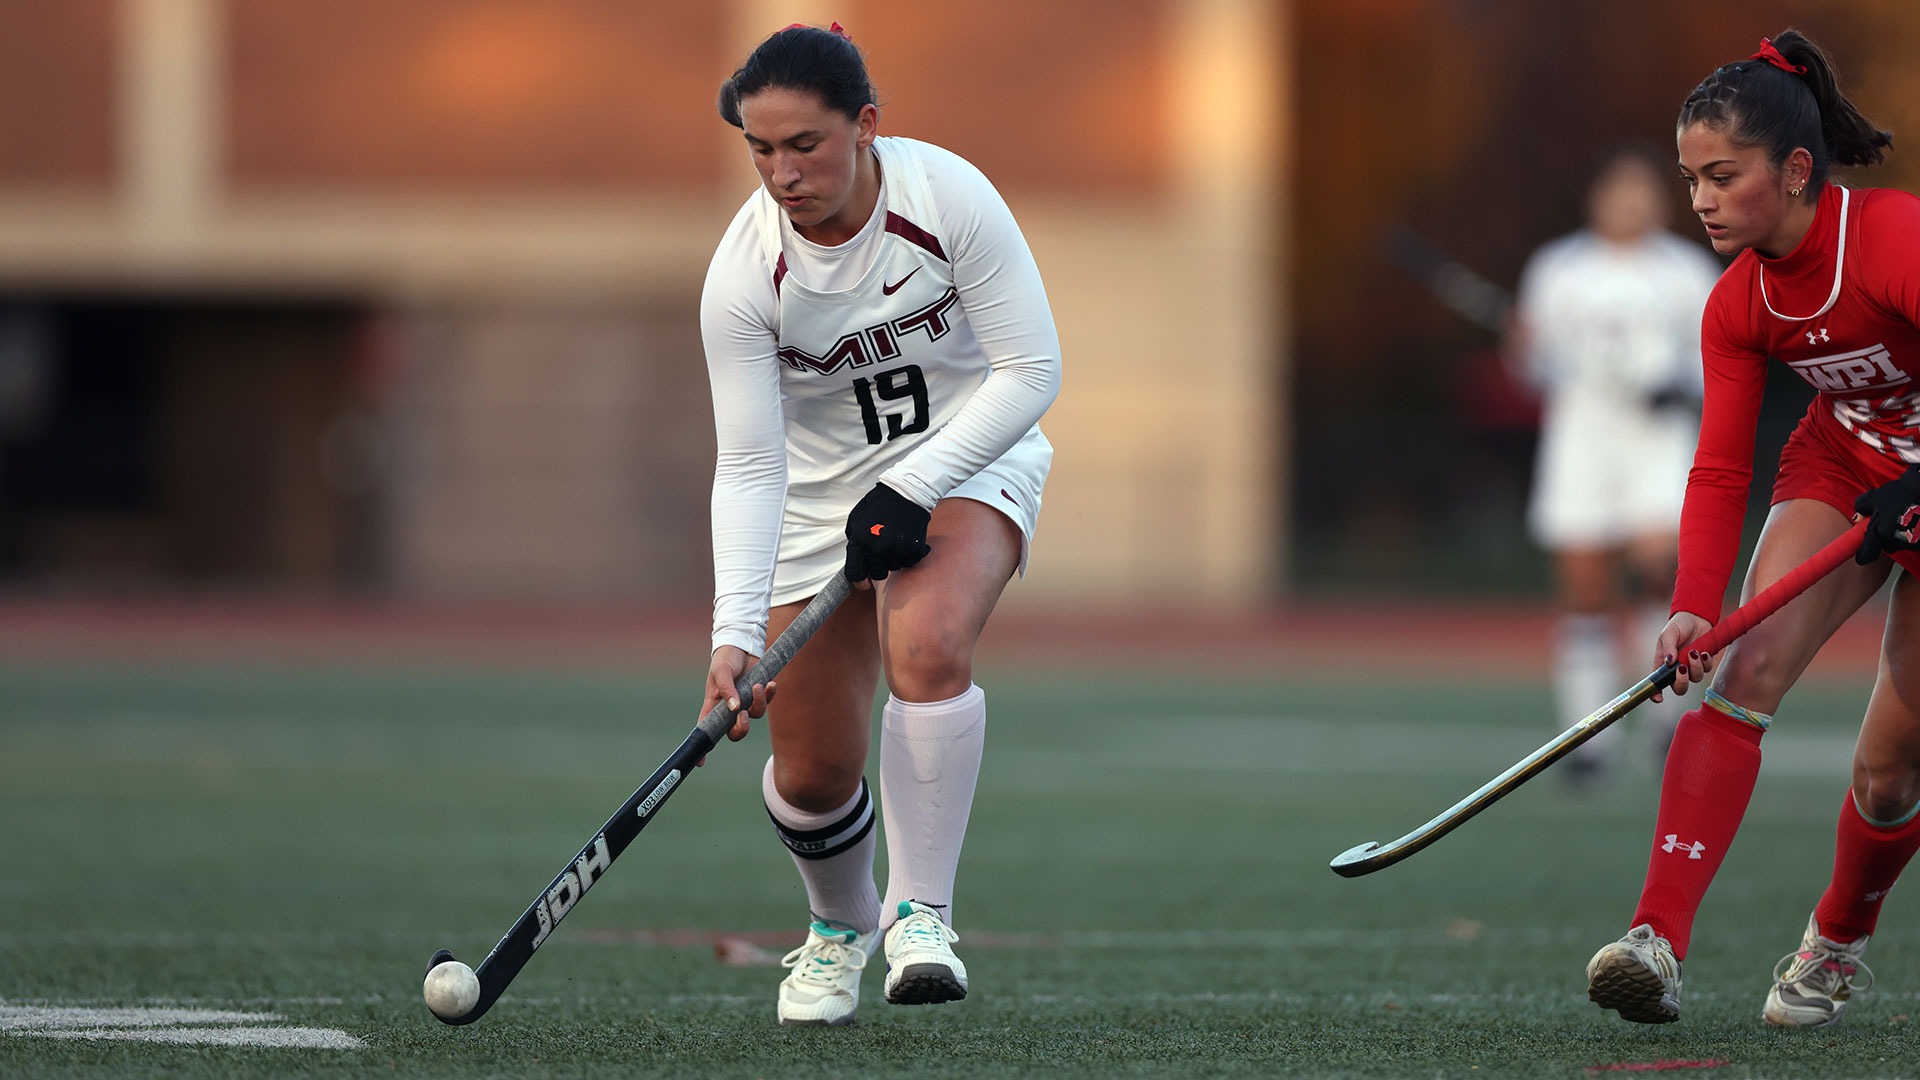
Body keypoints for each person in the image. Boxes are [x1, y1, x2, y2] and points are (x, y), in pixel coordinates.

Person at [696, 23, 1058, 1026]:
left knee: (927, 640)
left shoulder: (947, 200)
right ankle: (837, 930)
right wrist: (733, 634)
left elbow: (1032, 371)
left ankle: (921, 917)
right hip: (819, 499)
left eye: (804, 144)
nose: (782, 172)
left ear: (864, 127)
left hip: (967, 456)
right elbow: (752, 463)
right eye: (760, 149)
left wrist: (917, 486)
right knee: (811, 775)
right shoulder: (742, 279)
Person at [1583, 30, 1920, 1029]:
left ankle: (1835, 941)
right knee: (1747, 669)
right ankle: (1654, 940)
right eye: (1692, 178)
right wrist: (1694, 607)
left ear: (1797, 169)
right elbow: (1723, 467)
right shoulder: (1738, 302)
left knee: (1893, 768)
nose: (1700, 199)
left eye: (1722, 176)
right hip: (1847, 464)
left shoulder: (1893, 240)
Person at [1509, 148, 1723, 783]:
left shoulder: (1685, 272)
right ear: (1597, 199)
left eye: (1643, 193)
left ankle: (1666, 729)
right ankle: (1588, 741)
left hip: (1657, 444)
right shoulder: (1556, 269)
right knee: (1585, 591)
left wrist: (1677, 384)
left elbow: (1719, 363)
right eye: (1619, 192)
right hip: (1581, 444)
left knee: (1660, 573)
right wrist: (1520, 352)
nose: (1631, 205)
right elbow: (1532, 368)